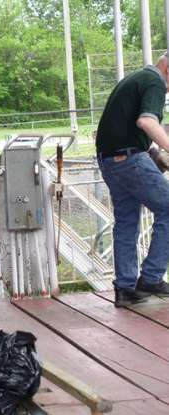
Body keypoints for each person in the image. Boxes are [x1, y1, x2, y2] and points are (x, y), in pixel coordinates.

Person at [96, 53, 169, 307]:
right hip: (128, 160)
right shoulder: (155, 82)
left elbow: (125, 126)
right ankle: (151, 277)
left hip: (109, 160)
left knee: (126, 222)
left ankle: (125, 289)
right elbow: (146, 121)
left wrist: (154, 154)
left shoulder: (136, 78)